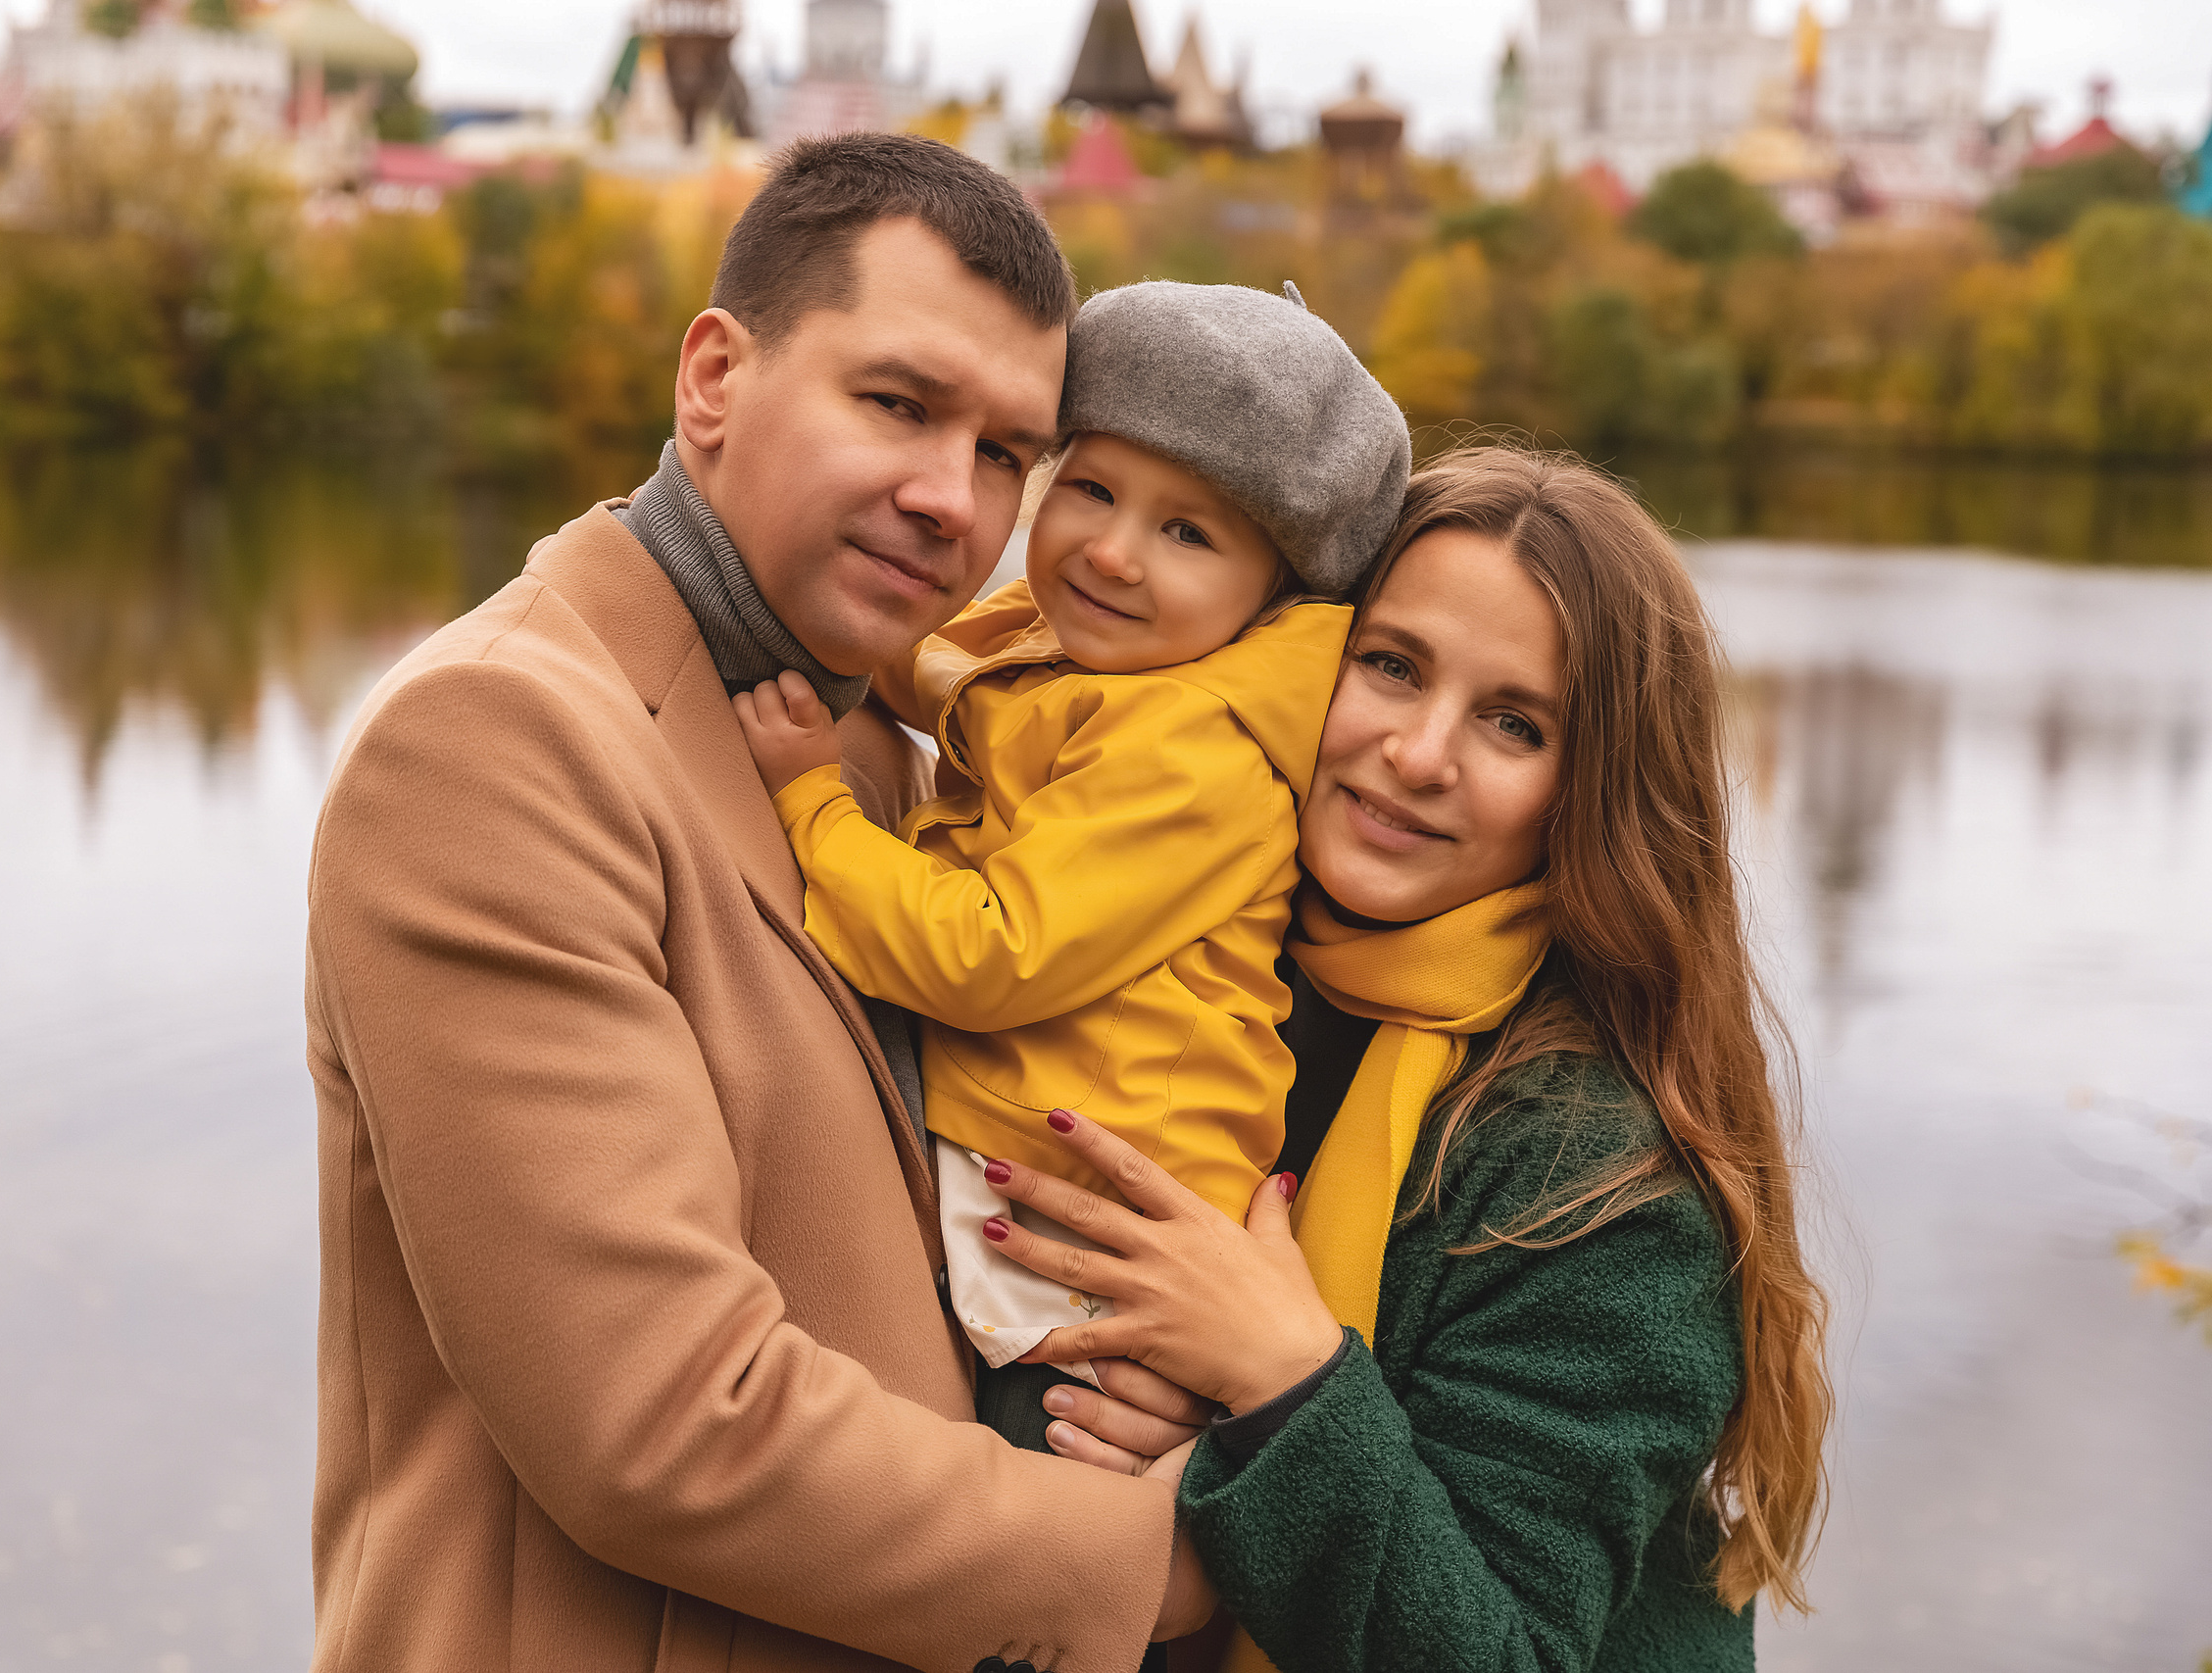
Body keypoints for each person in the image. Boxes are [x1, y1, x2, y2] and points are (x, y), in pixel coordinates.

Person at [303, 134, 1210, 1673]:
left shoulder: (882, 743)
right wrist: (1192, 1552)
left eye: (1005, 451)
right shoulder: (492, 739)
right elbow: (661, 1420)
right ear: (713, 377)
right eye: (899, 403)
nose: (951, 498)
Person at [974, 448, 1834, 1670]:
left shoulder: (1600, 1178)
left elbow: (1505, 1654)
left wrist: (1278, 1381)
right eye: (1389, 666)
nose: (1420, 754)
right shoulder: (1186, 956)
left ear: (1590, 790)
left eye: (1512, 723)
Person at [729, 279, 1408, 1452]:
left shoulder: (1199, 754)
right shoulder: (1097, 656)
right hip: (1033, 1168)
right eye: (1088, 488)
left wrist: (810, 801)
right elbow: (949, 680)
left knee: (1026, 1549)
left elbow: (986, 951)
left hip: (1095, 1243)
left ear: (1272, 595)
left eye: (1186, 532)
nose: (1110, 551)